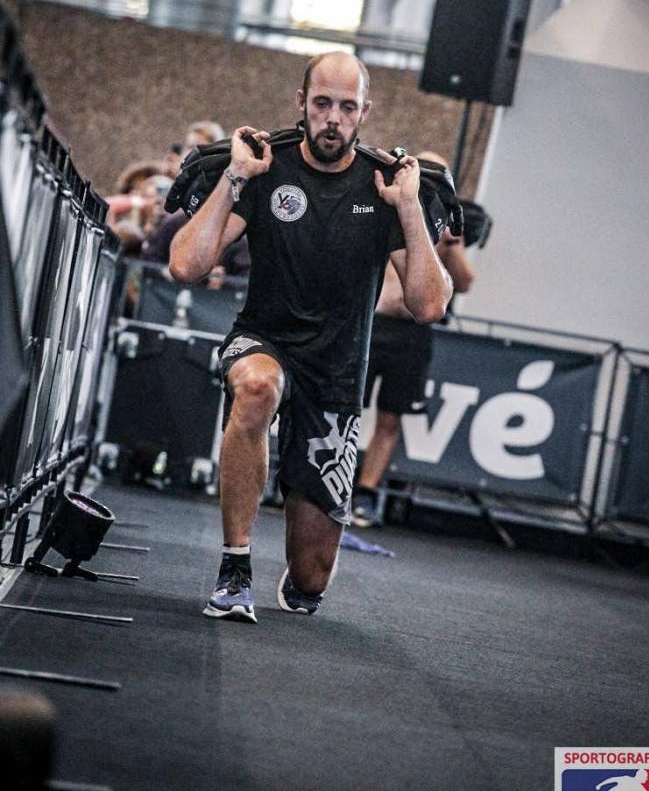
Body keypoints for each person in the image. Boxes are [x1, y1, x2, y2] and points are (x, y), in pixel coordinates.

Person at [169, 51, 452, 622]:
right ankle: (235, 569)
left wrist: (409, 210)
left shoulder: (384, 185)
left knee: (309, 584)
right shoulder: (265, 167)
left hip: (337, 372)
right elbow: (185, 266)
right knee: (257, 388)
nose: (333, 119)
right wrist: (234, 177)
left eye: (347, 107)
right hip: (263, 341)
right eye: (322, 103)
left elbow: (429, 305)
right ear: (301, 103)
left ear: (364, 112)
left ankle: (297, 559)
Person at [351, 151, 474, 527]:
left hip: (413, 332)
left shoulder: (442, 221)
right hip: (373, 323)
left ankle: (366, 493)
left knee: (390, 418)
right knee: (345, 405)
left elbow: (465, 282)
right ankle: (328, 481)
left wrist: (451, 246)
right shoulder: (385, 205)